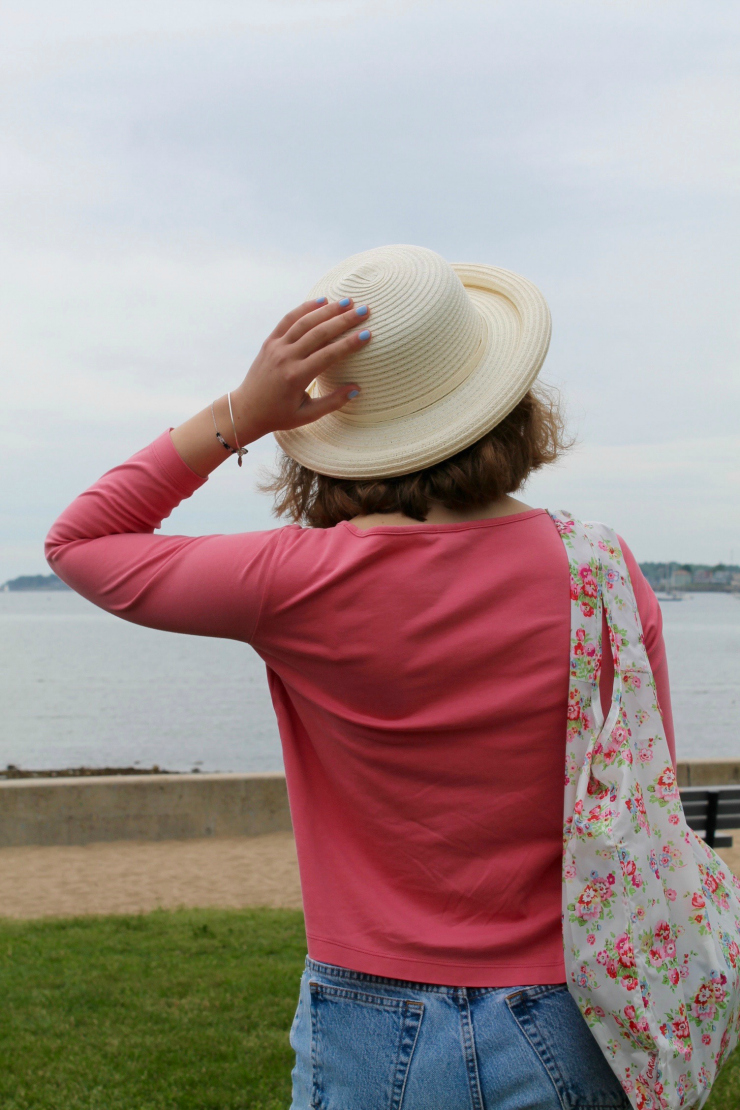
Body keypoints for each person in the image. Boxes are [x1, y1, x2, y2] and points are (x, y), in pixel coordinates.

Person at [47, 245, 674, 1110]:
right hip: (572, 1006)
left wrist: (240, 413)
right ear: (505, 403)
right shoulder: (604, 572)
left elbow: (80, 543)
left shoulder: (297, 581)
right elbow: (648, 793)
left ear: (338, 435)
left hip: (368, 1014)